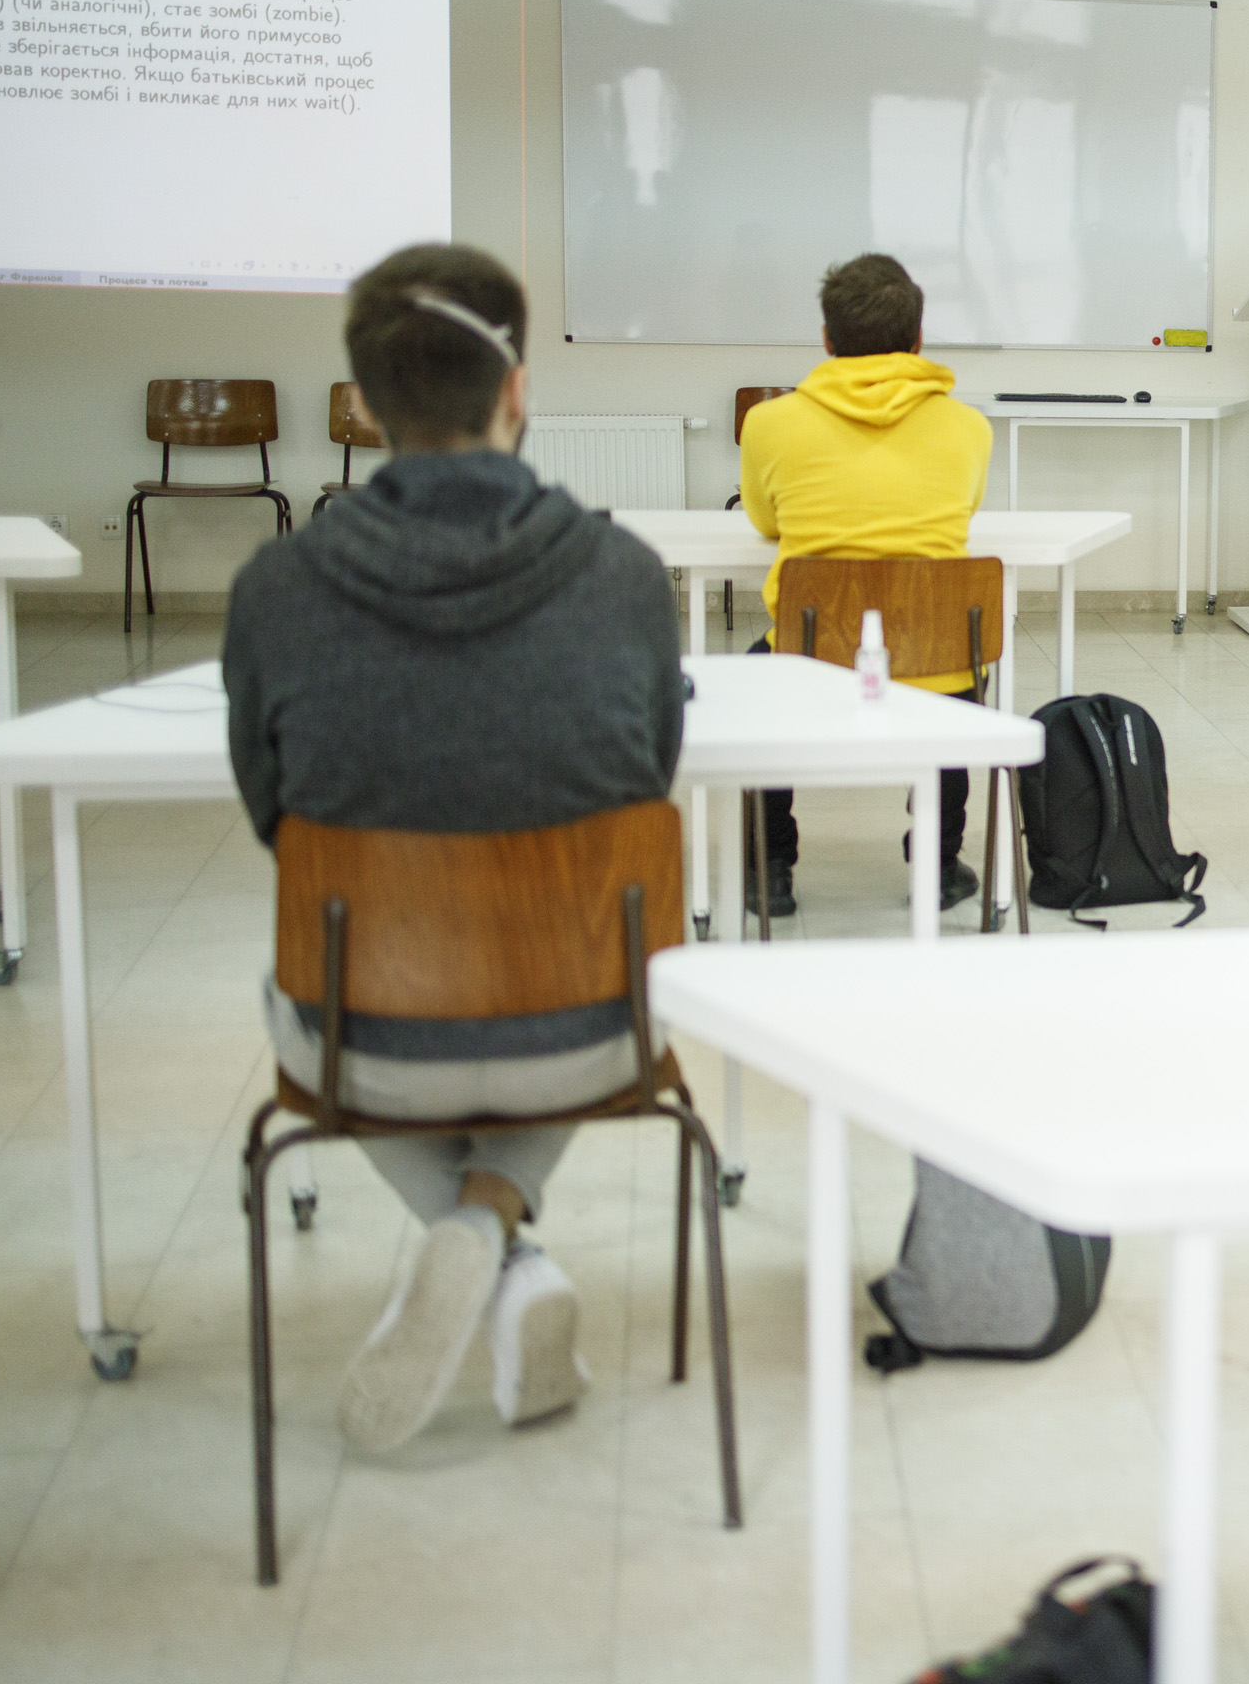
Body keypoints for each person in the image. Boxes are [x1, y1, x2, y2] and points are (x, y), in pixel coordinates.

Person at [225, 242, 684, 1453]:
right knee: (603, 955)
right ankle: (498, 1233)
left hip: (369, 1045)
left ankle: (470, 1234)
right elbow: (645, 785)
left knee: (303, 980)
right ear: (517, 388)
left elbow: (274, 815)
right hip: (593, 1033)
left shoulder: (277, 589)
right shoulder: (627, 578)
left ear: (370, 403)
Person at [739, 252, 994, 917]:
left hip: (810, 662)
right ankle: (937, 867)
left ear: (827, 338)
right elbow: (961, 512)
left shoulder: (768, 423)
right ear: (918, 339)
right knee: (960, 669)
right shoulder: (970, 428)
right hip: (935, 666)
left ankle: (770, 869)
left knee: (754, 676)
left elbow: (766, 521)